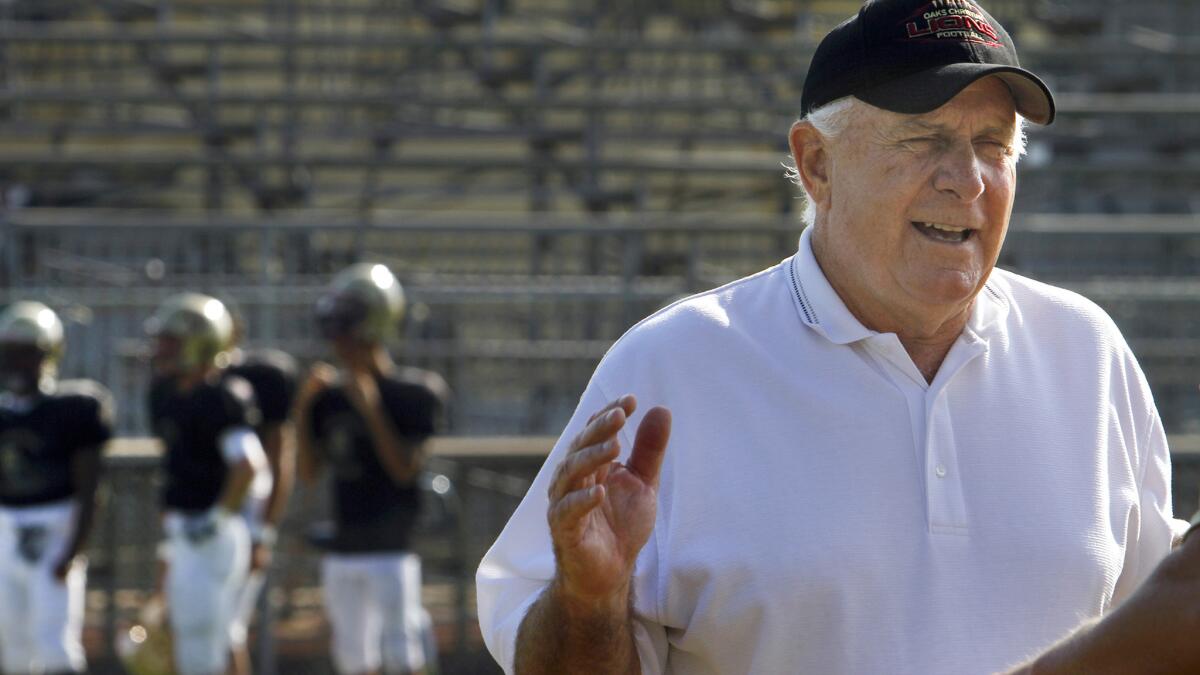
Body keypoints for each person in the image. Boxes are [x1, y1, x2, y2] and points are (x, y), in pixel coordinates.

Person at [476, 1, 1200, 672]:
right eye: (924, 139)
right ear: (817, 163)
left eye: (993, 145)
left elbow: (1155, 637)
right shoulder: (672, 365)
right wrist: (588, 599)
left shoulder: (1088, 353)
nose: (969, 181)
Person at [295, 263, 449, 675]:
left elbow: (404, 469)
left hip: (391, 548)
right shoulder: (328, 397)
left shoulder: (413, 392)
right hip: (344, 545)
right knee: (352, 660)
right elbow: (307, 473)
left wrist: (370, 408)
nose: (339, 340)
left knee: (402, 656)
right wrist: (302, 407)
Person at [146, 293, 270, 675]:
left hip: (211, 534)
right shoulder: (165, 393)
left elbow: (248, 467)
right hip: (186, 529)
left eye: (173, 341)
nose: (163, 349)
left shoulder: (223, 397)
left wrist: (218, 518)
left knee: (203, 640)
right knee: (185, 636)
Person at [0, 301, 113, 675]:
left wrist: (74, 549)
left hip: (55, 528)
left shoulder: (74, 408)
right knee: (12, 645)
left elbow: (90, 485)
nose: (17, 363)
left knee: (53, 641)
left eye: (27, 353)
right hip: (6, 530)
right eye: (10, 353)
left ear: (47, 355)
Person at [223, 311, 299, 675]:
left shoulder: (255, 381)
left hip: (237, 525)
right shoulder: (187, 388)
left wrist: (264, 531)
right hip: (198, 525)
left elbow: (278, 456)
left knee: (225, 634)